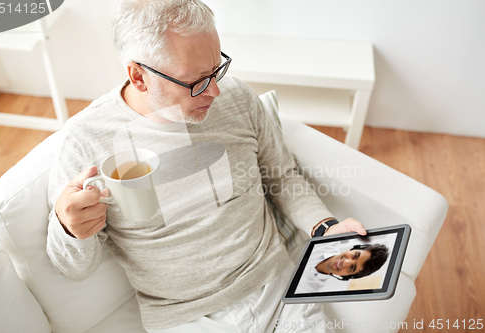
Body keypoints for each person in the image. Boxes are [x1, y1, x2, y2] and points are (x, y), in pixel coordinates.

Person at [46, 1, 367, 332]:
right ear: (139, 76)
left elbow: (282, 176)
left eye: (216, 69)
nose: (215, 91)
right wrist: (69, 228)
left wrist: (325, 227)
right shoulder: (86, 140)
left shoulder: (236, 97)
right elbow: (72, 268)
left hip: (277, 288)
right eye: (197, 80)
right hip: (186, 318)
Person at [295, 243, 389, 294]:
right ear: (351, 249)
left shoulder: (308, 290)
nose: (346, 262)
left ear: (345, 276)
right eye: (355, 255)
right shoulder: (328, 238)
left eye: (351, 268)